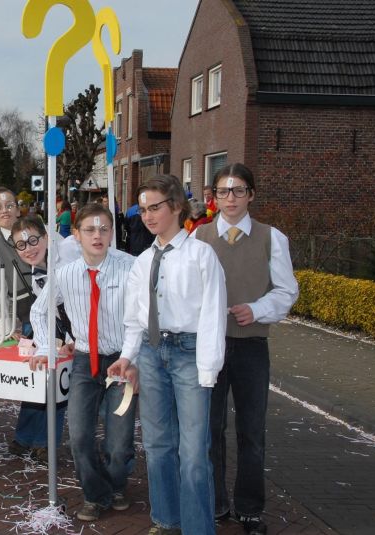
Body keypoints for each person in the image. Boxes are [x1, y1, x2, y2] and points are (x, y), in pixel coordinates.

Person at [108, 175, 226, 534]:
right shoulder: (142, 261)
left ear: (176, 206)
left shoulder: (201, 255)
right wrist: (128, 357)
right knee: (157, 444)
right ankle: (165, 519)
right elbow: (134, 317)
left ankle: (197, 528)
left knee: (193, 452)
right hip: (151, 353)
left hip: (189, 353)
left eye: (154, 207)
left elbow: (213, 313)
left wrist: (208, 368)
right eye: (143, 209)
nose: (147, 216)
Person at [196, 163, 299, 535]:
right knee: (211, 428)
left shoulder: (272, 238)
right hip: (209, 346)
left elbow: (287, 290)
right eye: (224, 191)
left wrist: (256, 310)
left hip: (252, 345)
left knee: (252, 431)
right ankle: (216, 503)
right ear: (214, 197)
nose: (231, 198)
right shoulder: (200, 236)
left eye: (238, 190)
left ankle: (250, 509)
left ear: (251, 195)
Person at [31, 203, 137, 522]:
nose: (97, 236)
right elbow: (39, 310)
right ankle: (95, 494)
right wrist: (47, 346)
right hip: (83, 362)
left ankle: (116, 485)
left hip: (121, 362)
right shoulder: (65, 274)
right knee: (79, 435)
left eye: (104, 229)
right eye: (89, 229)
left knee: (119, 439)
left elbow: (144, 316)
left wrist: (135, 359)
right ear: (76, 234)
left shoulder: (130, 267)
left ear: (112, 232)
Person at [8, 216, 75, 462]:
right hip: (62, 333)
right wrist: (39, 339)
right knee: (41, 377)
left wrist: (72, 338)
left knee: (57, 386)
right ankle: (27, 436)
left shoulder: (68, 254)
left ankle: (45, 441)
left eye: (33, 240)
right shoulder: (37, 276)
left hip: (88, 333)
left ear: (46, 237)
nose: (28, 248)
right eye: (21, 245)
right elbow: (49, 312)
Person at [0, 187, 30, 338]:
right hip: (27, 312)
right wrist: (5, 327)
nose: (4, 211)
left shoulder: (36, 231)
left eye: (9, 206)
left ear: (18, 210)